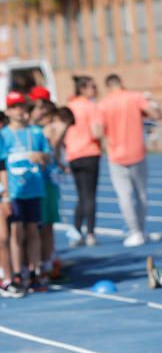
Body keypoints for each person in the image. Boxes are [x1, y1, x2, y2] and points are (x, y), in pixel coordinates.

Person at [98, 74, 162, 247]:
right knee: (141, 194)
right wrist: (152, 101)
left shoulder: (104, 104)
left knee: (124, 195)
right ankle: (141, 230)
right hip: (137, 151)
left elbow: (98, 131)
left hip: (116, 154)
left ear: (108, 86)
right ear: (122, 83)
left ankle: (135, 232)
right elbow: (156, 114)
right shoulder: (135, 97)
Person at [0, 91, 51, 294]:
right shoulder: (4, 135)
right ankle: (17, 272)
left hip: (34, 188)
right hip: (15, 190)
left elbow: (48, 157)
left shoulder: (36, 132)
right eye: (14, 107)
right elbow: (2, 164)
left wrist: (42, 157)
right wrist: (6, 193)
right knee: (15, 233)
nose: (19, 110)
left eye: (21, 106)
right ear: (8, 111)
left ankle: (35, 271)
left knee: (33, 231)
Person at [31, 100, 74, 282]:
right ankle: (39, 264)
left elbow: (54, 155)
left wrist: (61, 165)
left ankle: (48, 263)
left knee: (47, 225)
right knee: (38, 227)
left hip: (50, 182)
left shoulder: (47, 128)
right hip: (39, 183)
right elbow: (49, 150)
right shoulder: (40, 131)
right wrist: (60, 131)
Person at [65, 76, 104, 247]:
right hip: (89, 153)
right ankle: (90, 233)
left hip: (73, 155)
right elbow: (97, 132)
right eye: (92, 87)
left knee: (80, 195)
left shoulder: (69, 107)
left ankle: (76, 231)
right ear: (82, 89)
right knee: (89, 196)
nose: (95, 90)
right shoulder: (91, 106)